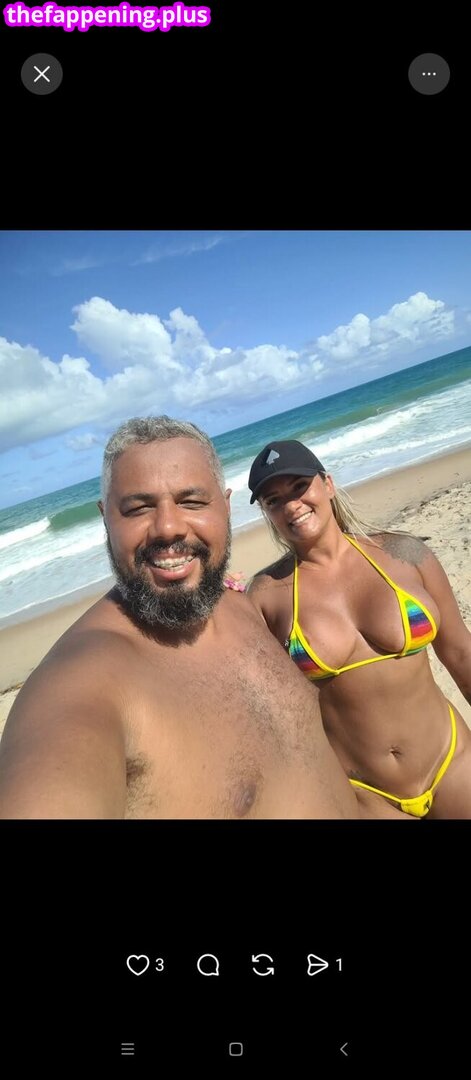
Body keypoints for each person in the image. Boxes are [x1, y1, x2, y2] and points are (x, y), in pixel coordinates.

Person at [0, 417, 363, 820]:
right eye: (138, 508)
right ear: (105, 519)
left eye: (192, 502)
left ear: (225, 507)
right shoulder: (78, 685)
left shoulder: (246, 607)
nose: (168, 527)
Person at [246, 439, 471, 819]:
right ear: (268, 513)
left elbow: (461, 652)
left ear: (328, 484)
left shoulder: (404, 554)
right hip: (363, 795)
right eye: (274, 500)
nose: (292, 505)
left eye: (299, 487)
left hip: (452, 760)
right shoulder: (266, 596)